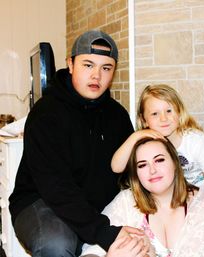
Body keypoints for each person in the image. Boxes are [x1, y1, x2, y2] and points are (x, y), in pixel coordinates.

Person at [8, 30, 148, 257]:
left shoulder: (117, 116)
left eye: (106, 68)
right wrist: (104, 232)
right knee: (58, 243)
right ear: (70, 64)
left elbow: (130, 173)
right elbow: (56, 188)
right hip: (41, 201)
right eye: (88, 65)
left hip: (90, 206)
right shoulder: (46, 114)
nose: (97, 76)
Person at [111, 84, 204, 257]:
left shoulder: (196, 141)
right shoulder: (148, 143)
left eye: (169, 110)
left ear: (179, 111)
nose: (163, 119)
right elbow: (116, 166)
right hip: (190, 203)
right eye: (155, 114)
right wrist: (136, 135)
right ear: (144, 120)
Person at [81, 137, 204, 257]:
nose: (152, 170)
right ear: (136, 174)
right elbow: (91, 250)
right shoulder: (126, 202)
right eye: (142, 165)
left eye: (159, 160)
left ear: (175, 163)